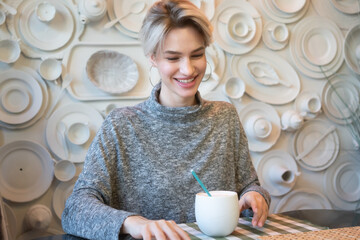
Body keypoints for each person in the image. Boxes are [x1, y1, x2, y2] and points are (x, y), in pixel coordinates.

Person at [61, 0, 270, 239]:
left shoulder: (225, 117)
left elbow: (248, 186)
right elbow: (75, 209)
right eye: (173, 58)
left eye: (197, 55)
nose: (188, 69)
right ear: (153, 57)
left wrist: (257, 196)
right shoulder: (121, 125)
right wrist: (133, 223)